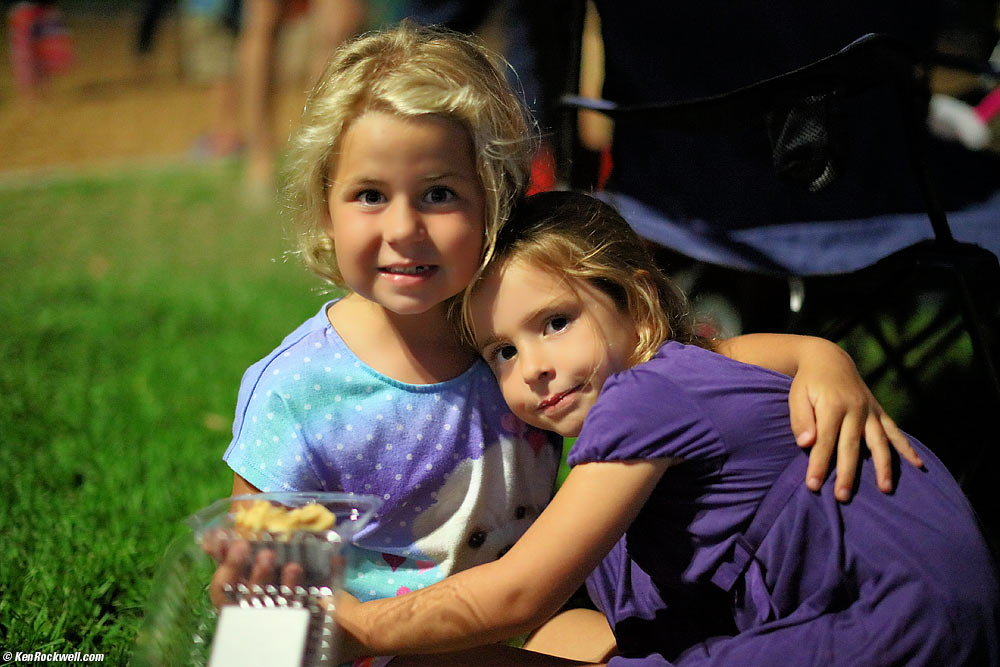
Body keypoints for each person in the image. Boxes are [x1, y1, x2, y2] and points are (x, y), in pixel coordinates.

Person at [218, 24, 924, 665]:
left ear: (491, 201)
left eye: (438, 194)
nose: (404, 227)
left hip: (513, 620)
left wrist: (815, 356)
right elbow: (255, 572)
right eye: (370, 195)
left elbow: (692, 364)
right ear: (324, 208)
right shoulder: (300, 387)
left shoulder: (510, 335)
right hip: (369, 643)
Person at [333, 191, 999, 666]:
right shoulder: (679, 382)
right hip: (931, 613)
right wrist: (819, 352)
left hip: (891, 621)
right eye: (502, 351)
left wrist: (359, 625)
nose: (533, 366)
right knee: (573, 629)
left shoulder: (642, 397)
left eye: (555, 322)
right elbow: (564, 617)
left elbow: (519, 592)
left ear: (640, 303)